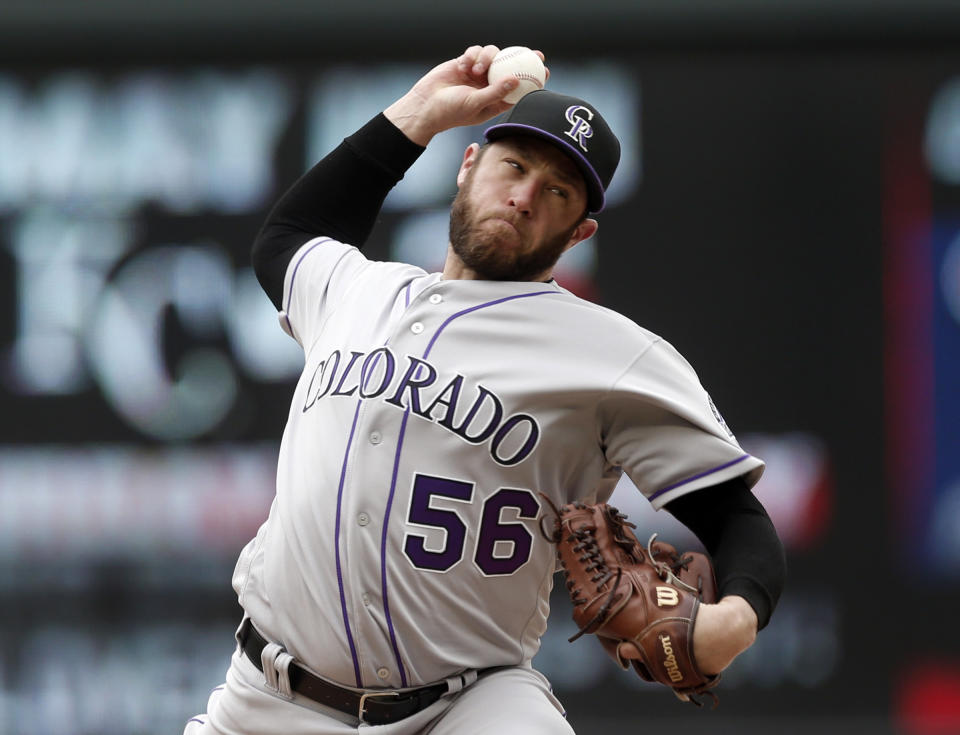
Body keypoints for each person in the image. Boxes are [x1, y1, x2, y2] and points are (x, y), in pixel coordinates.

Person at [184, 44, 786, 735]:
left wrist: (732, 622)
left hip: (467, 705)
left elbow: (737, 519)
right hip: (270, 699)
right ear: (468, 166)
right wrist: (422, 114)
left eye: (558, 191)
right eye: (515, 166)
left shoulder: (612, 355)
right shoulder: (359, 291)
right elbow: (288, 236)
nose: (525, 195)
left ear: (579, 231)